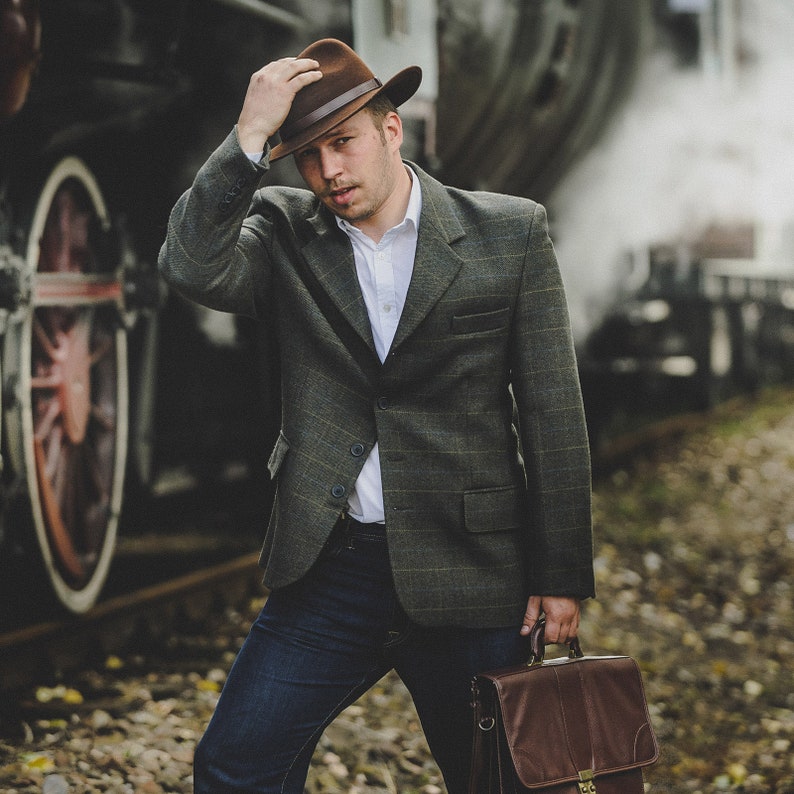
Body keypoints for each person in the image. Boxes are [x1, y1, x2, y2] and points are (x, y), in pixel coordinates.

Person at [158, 37, 594, 794]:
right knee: (234, 766)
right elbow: (190, 265)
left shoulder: (509, 233)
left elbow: (554, 413)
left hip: (471, 572)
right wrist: (246, 140)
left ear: (392, 130)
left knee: (498, 781)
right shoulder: (284, 230)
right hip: (333, 570)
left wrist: (562, 575)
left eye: (343, 143)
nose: (329, 171)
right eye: (307, 155)